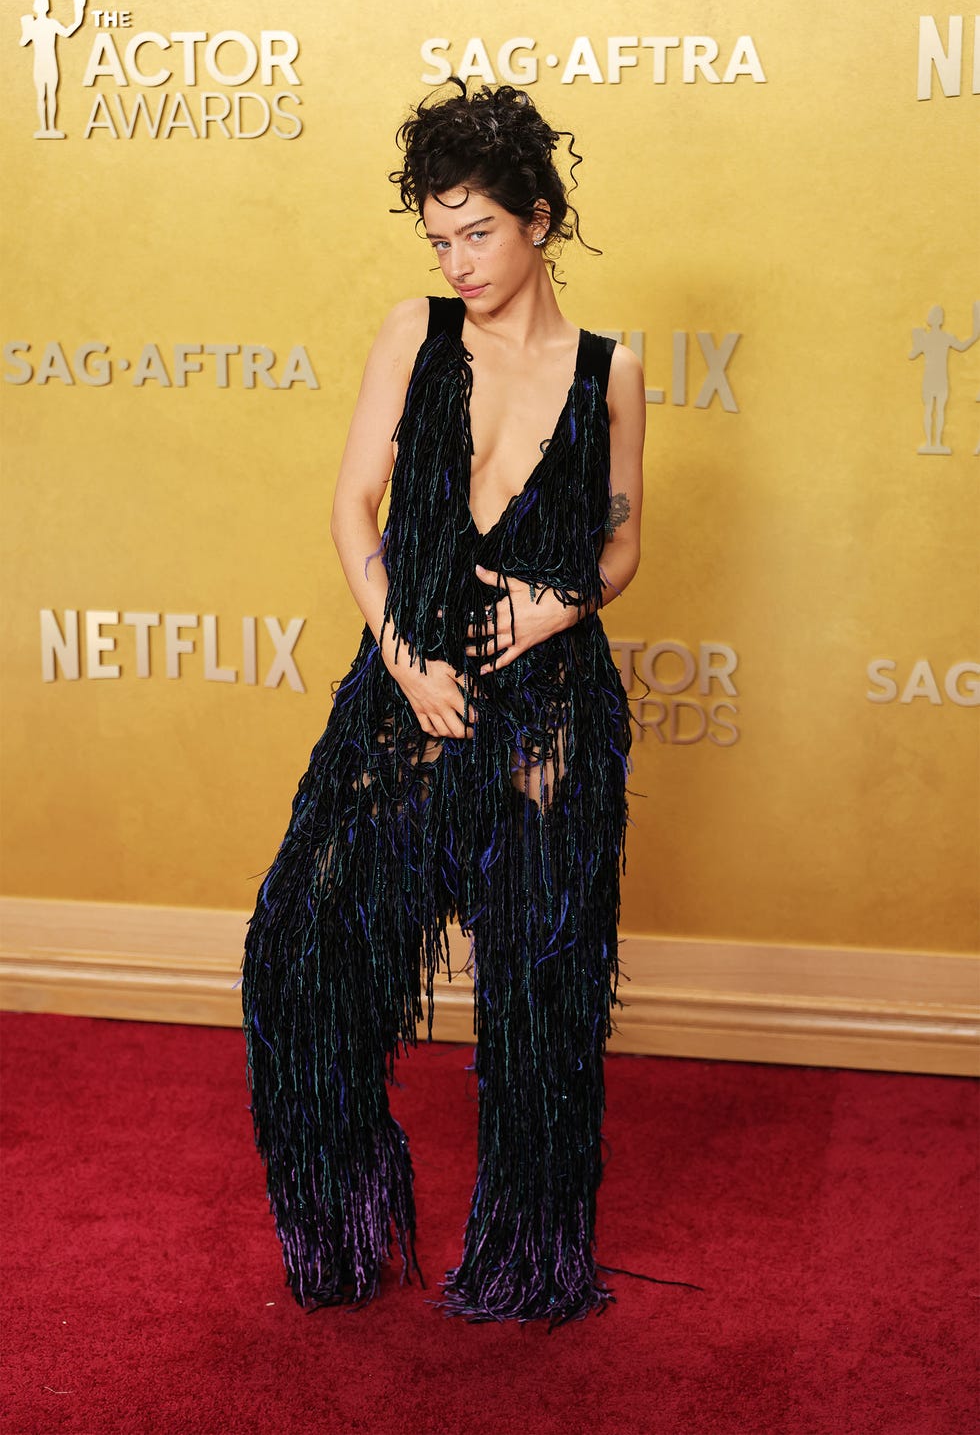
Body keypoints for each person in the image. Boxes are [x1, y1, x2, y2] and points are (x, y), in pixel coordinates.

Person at [241, 79, 646, 1325]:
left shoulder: (609, 370)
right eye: (438, 239)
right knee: (297, 954)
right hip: (402, 700)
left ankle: (526, 1263)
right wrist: (401, 649)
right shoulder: (412, 335)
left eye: (477, 232)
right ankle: (347, 1227)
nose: (457, 260)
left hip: (549, 720)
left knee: (539, 1007)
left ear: (537, 217)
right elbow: (349, 505)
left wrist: (552, 605)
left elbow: (622, 544)